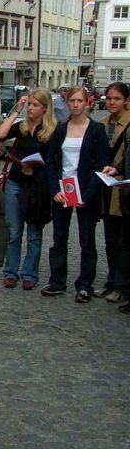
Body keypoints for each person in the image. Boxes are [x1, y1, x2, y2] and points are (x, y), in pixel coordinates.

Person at [41, 86, 108, 302]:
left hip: (86, 192)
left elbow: (100, 165)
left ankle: (85, 284)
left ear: (87, 102)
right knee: (59, 238)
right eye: (72, 101)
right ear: (67, 102)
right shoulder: (61, 129)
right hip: (63, 191)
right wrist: (54, 190)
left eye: (80, 101)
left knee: (86, 240)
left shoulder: (96, 130)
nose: (76, 105)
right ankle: (57, 280)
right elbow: (51, 161)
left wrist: (87, 195)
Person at [0, 89, 57, 291]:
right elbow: (0, 134)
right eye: (29, 104)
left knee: (34, 232)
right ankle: (10, 272)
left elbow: (54, 162)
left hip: (37, 186)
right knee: (13, 231)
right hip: (15, 182)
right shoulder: (21, 127)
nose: (31, 108)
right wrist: (17, 109)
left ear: (45, 108)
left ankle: (30, 273)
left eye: (35, 105)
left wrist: (36, 169)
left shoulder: (52, 131)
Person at [95, 82, 130, 303]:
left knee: (123, 242)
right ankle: (111, 280)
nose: (111, 102)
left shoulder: (128, 125)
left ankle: (122, 284)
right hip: (106, 187)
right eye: (108, 98)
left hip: (124, 190)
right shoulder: (102, 124)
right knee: (109, 239)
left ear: (126, 100)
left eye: (116, 98)